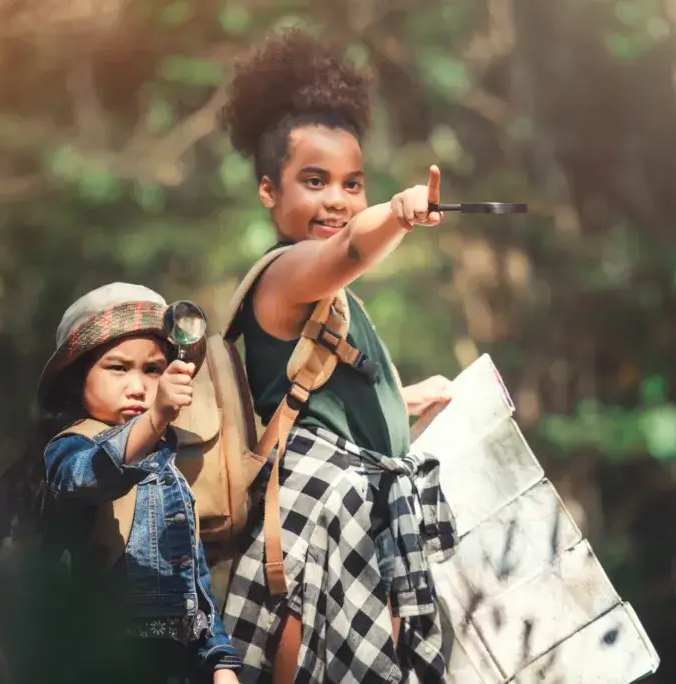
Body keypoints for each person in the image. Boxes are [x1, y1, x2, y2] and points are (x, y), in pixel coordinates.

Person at [217, 30, 458, 684]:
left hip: (356, 524)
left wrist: (404, 406)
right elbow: (349, 247)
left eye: (353, 184)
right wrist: (395, 216)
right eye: (314, 181)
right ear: (270, 192)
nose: (337, 200)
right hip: (312, 536)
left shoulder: (333, 302)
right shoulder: (289, 273)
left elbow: (320, 415)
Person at [36, 283, 243, 684]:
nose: (138, 386)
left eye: (153, 369)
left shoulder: (168, 464)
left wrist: (220, 661)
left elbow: (193, 584)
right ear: (77, 379)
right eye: (118, 367)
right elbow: (91, 476)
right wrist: (155, 418)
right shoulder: (69, 449)